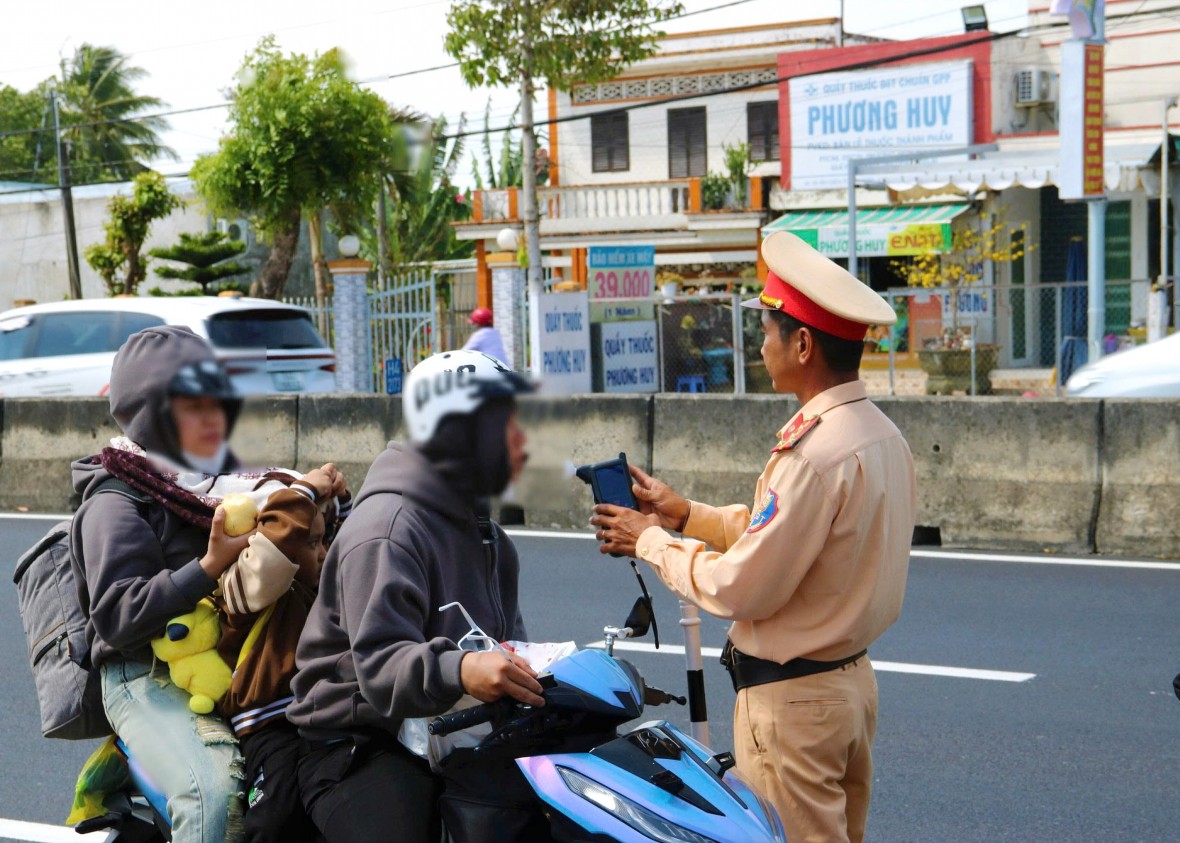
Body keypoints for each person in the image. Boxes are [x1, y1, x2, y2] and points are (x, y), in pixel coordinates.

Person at [589, 230, 917, 843]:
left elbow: (742, 588)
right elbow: (805, 545)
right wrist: (686, 514)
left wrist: (650, 541)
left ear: (802, 342)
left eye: (767, 331)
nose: (760, 345)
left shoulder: (814, 453)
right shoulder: (880, 436)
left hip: (795, 704)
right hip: (847, 690)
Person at [286, 349, 544, 843]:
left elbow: (509, 640)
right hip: (359, 738)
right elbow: (381, 671)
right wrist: (461, 669)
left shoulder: (488, 533)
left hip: (450, 724)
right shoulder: (387, 530)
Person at [70, 326, 259, 843]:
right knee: (215, 798)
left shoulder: (225, 486)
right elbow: (116, 615)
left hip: (233, 659)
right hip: (144, 675)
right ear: (155, 412)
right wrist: (209, 565)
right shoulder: (117, 501)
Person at [214, 463, 350, 843]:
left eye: (323, 541)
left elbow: (348, 544)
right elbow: (275, 546)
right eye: (310, 543)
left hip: (325, 720)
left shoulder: (320, 588)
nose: (322, 553)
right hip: (271, 727)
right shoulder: (244, 591)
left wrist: (336, 496)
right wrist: (304, 490)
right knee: (275, 818)